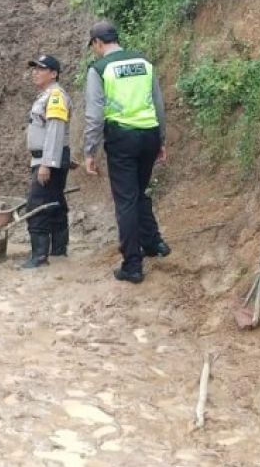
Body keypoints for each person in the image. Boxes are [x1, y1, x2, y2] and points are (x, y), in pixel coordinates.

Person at [83, 20, 170, 284]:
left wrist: (90, 150)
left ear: (98, 43)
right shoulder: (144, 63)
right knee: (138, 192)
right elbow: (158, 103)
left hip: (123, 139)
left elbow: (95, 115)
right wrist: (161, 140)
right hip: (149, 135)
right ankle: (154, 244)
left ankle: (133, 265)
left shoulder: (99, 69)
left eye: (94, 46)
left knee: (126, 201)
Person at [22, 54, 72, 268]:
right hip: (51, 157)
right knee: (54, 202)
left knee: (38, 205)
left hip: (47, 159)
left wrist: (47, 163)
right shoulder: (47, 96)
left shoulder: (55, 96)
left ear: (54, 74)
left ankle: (39, 256)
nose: (36, 72)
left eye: (41, 69)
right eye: (34, 68)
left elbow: (54, 130)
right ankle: (59, 249)